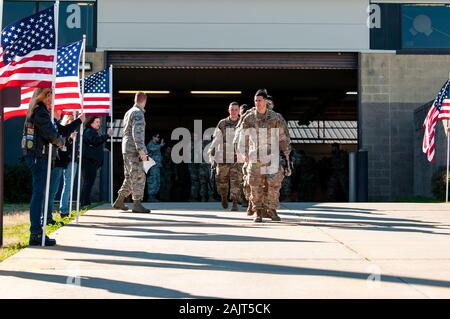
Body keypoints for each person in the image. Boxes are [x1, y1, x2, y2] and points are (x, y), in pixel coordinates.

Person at [237, 89, 291, 222]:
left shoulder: (275, 117)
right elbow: (241, 137)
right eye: (255, 101)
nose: (257, 103)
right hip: (254, 156)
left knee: (273, 184)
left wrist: (287, 155)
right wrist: (243, 153)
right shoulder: (249, 117)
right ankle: (258, 211)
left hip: (272, 156)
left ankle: (271, 210)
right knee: (255, 184)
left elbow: (283, 138)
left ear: (266, 101)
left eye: (260, 100)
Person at [21, 88, 65, 246]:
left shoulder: (36, 109)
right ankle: (36, 233)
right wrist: (60, 142)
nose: (53, 99)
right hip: (39, 157)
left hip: (36, 156)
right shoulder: (41, 111)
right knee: (39, 195)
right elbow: (51, 134)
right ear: (45, 95)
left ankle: (37, 232)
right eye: (51, 95)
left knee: (39, 194)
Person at [113, 92, 150, 213]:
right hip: (133, 149)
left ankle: (120, 200)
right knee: (139, 175)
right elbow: (137, 133)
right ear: (144, 101)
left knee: (130, 175)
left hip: (126, 148)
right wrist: (141, 151)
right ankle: (137, 204)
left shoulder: (129, 112)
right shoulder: (138, 113)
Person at [46, 112, 83, 224]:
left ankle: (61, 211)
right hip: (61, 160)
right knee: (54, 188)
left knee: (67, 185)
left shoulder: (64, 127)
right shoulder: (59, 127)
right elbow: (62, 144)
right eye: (70, 119)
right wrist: (70, 139)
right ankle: (60, 212)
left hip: (70, 160)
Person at [209, 102, 242, 211]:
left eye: (236, 109)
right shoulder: (222, 123)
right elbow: (216, 139)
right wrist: (212, 154)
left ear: (239, 111)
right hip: (222, 157)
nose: (234, 111)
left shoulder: (242, 123)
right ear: (228, 110)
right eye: (232, 109)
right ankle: (223, 196)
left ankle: (234, 203)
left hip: (237, 159)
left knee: (236, 181)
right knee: (221, 181)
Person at [80, 116, 113, 207]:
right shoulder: (89, 131)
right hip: (89, 161)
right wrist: (107, 135)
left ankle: (86, 202)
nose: (99, 123)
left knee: (90, 182)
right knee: (88, 182)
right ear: (91, 123)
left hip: (93, 162)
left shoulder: (94, 132)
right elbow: (94, 141)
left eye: (99, 122)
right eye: (97, 122)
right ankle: (84, 203)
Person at [146, 133, 165, 201]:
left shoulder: (157, 145)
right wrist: (160, 145)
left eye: (159, 137)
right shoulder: (150, 144)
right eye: (157, 137)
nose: (158, 138)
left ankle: (153, 196)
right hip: (153, 166)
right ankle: (151, 196)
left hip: (157, 166)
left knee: (157, 181)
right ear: (153, 137)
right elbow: (151, 149)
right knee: (153, 180)